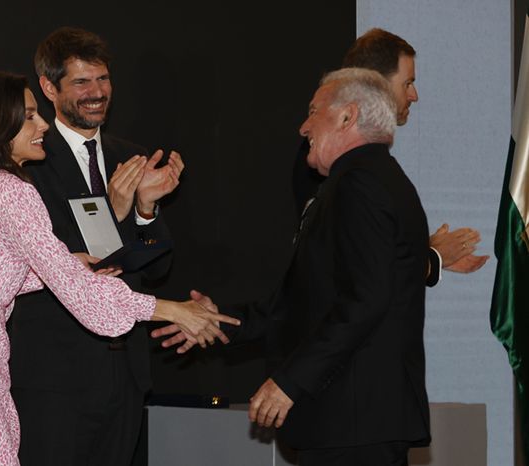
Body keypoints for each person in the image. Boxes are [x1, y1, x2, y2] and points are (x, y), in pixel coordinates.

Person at [0, 71, 238, 466]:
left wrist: (68, 264)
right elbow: (83, 297)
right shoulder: (11, 190)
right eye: (30, 116)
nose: (42, 124)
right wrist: (171, 310)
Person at [162, 68, 431, 465]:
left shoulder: (360, 184)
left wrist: (289, 383)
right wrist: (217, 321)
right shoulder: (362, 180)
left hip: (355, 424)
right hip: (350, 423)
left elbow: (365, 301)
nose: (303, 126)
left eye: (313, 111)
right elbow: (296, 307)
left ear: (346, 116)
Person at [7, 27, 183, 466]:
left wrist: (145, 211)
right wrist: (116, 210)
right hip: (54, 379)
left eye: (103, 80)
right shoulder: (26, 164)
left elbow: (155, 272)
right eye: (82, 82)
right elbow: (60, 265)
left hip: (125, 377)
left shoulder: (133, 158)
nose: (97, 93)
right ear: (49, 87)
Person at [295, 28, 489, 278]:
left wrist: (424, 251)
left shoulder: (363, 164)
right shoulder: (327, 160)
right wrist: (432, 259)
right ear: (376, 85)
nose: (414, 96)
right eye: (407, 83)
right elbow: (348, 272)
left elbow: (363, 249)